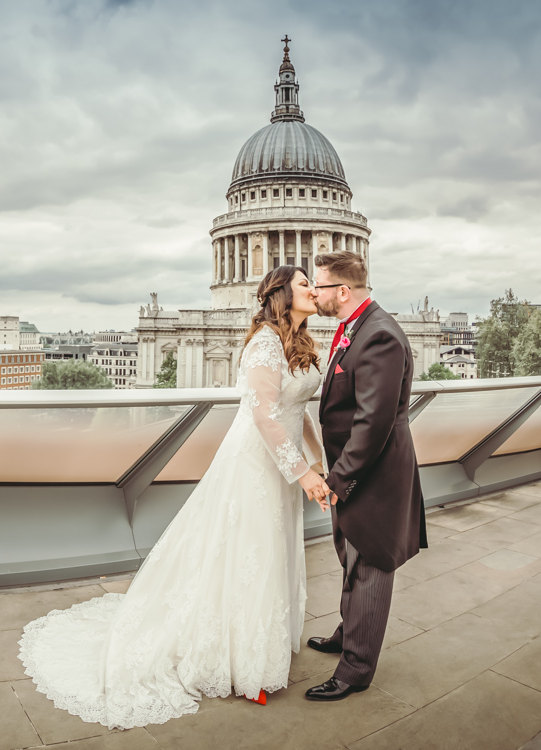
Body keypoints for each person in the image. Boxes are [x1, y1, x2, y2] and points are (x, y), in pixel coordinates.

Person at [18, 264, 328, 729]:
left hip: (282, 462)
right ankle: (242, 664)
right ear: (282, 293)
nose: (314, 288)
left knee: (267, 551)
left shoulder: (300, 341)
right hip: (257, 462)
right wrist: (302, 471)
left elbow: (295, 408)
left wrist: (315, 458)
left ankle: (257, 647)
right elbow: (264, 414)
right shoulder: (264, 341)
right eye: (305, 283)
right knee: (250, 551)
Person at [303, 250, 427, 702]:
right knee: (350, 560)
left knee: (369, 566)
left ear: (342, 291)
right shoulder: (357, 327)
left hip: (371, 476)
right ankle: (347, 634)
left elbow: (372, 423)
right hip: (355, 471)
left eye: (318, 285)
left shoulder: (378, 336)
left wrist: (338, 482)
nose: (313, 293)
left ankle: (354, 670)